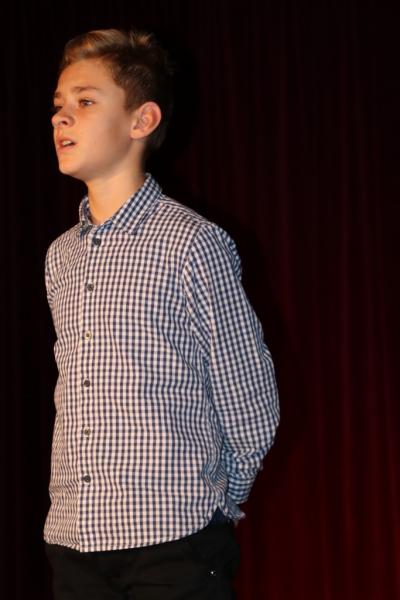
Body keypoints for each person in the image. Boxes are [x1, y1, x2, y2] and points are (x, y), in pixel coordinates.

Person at [43, 27, 280, 600]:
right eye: (58, 105)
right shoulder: (60, 256)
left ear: (142, 120)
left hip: (173, 540)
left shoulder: (191, 243)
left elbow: (249, 397)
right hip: (74, 540)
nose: (61, 117)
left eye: (85, 101)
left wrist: (216, 503)